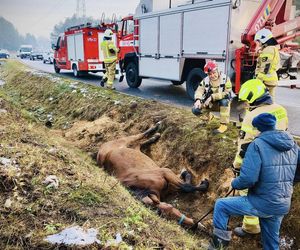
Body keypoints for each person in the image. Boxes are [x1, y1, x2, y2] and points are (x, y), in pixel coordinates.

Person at [208, 113, 299, 250]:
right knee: (271, 244)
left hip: (262, 202)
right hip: (282, 204)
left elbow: (248, 179)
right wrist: (287, 184)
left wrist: (234, 183)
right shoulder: (293, 145)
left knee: (221, 205)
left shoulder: (257, 145)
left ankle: (218, 246)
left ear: (258, 128)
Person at [232, 78, 288, 237]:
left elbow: (245, 147)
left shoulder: (251, 116)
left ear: (253, 97)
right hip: (280, 159)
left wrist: (237, 166)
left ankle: (250, 227)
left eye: (247, 101)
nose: (247, 104)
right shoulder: (280, 109)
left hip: (261, 162)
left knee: (247, 189)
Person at [193, 61, 232, 134]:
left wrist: (212, 97)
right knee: (195, 109)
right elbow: (199, 90)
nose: (212, 75)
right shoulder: (205, 80)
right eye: (210, 74)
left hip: (221, 105)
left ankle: (223, 125)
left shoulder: (226, 79)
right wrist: (198, 99)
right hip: (209, 104)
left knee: (225, 101)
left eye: (214, 72)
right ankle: (208, 118)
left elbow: (227, 93)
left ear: (217, 70)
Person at [254, 28, 280, 99]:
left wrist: (259, 78)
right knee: (270, 99)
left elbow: (266, 66)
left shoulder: (268, 50)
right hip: (271, 79)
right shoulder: (272, 48)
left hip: (266, 80)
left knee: (262, 100)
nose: (258, 43)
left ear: (264, 39)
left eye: (259, 41)